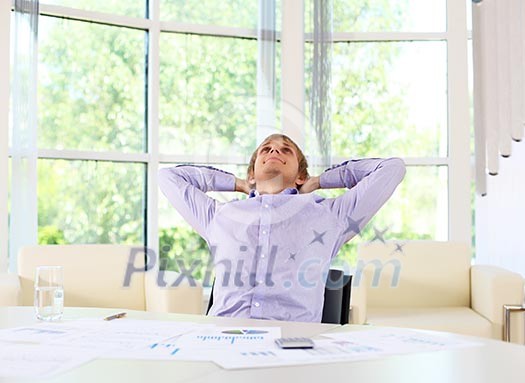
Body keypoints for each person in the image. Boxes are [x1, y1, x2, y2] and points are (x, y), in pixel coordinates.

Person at [159, 133, 405, 322]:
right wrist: (239, 184)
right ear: (253, 173)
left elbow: (391, 168)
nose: (275, 149)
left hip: (293, 344)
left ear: (300, 175)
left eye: (285, 149)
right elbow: (168, 177)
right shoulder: (219, 215)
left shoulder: (330, 216)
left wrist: (318, 182)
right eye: (266, 149)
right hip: (223, 336)